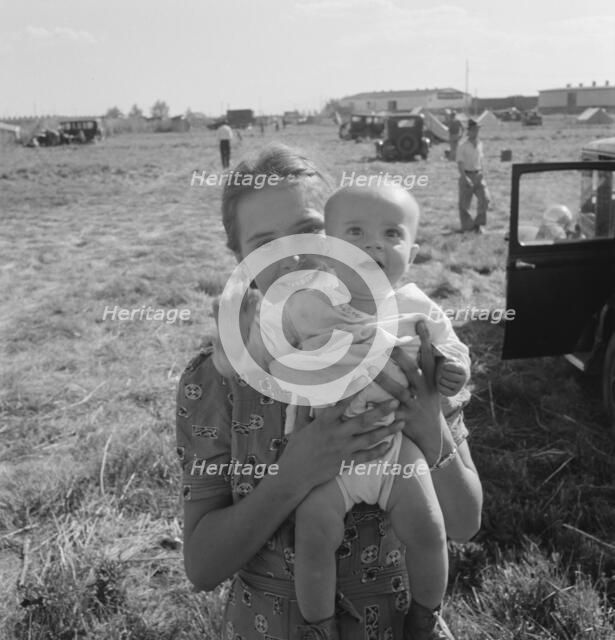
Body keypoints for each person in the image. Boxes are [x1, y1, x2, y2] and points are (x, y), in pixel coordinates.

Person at [176, 143, 483, 640]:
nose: (294, 255)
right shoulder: (217, 382)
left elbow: (465, 522)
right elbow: (203, 566)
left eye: (308, 231)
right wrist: (294, 476)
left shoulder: (408, 345)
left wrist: (431, 428)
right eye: (264, 242)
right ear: (240, 261)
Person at [456, 119, 490, 233]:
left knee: (485, 199)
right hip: (467, 174)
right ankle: (467, 227)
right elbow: (460, 163)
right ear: (469, 131)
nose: (476, 132)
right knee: (464, 204)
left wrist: (483, 173)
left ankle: (479, 224)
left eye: (477, 130)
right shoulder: (462, 145)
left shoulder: (480, 144)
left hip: (478, 174)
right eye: (474, 130)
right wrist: (464, 177)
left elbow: (481, 160)